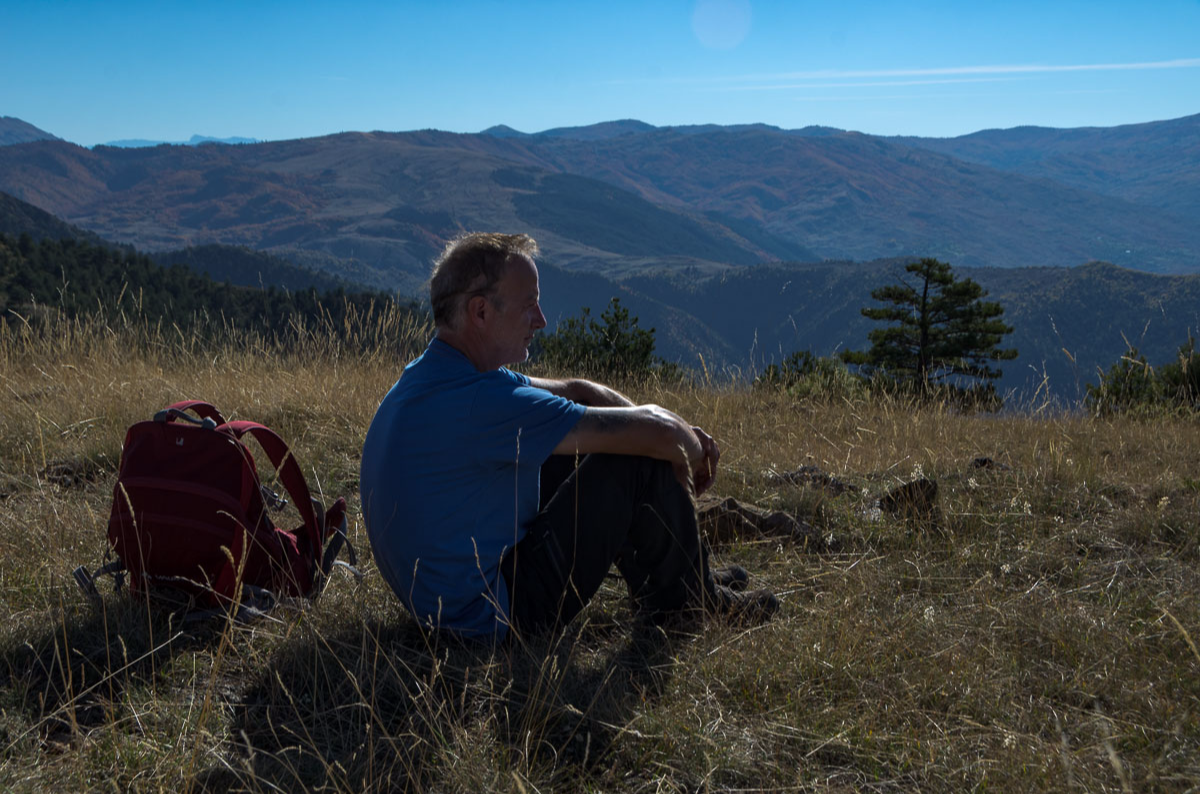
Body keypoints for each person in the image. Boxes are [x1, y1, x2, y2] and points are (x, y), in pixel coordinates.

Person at [360, 232, 777, 642]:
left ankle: (683, 573)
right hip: (496, 614)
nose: (541, 320)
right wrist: (687, 451)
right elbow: (659, 433)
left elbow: (581, 390)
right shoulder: (482, 402)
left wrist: (667, 440)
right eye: (528, 307)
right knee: (631, 456)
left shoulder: (439, 375)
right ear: (481, 312)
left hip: (451, 601)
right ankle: (689, 603)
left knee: (607, 439)